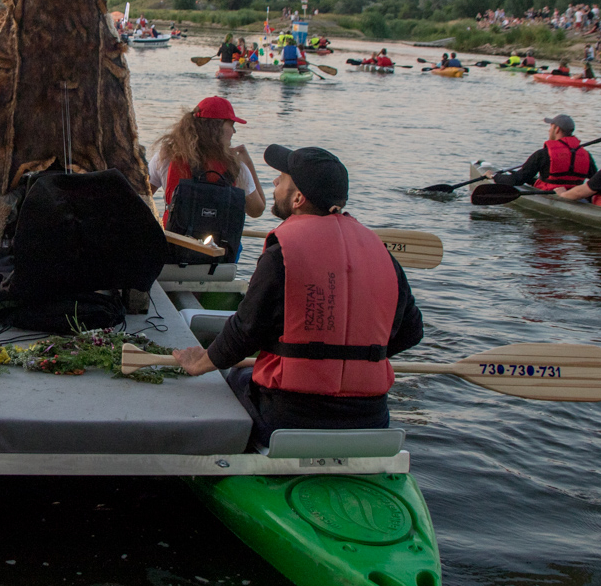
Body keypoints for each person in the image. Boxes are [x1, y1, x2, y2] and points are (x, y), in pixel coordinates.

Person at [170, 145, 424, 444]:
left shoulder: (282, 256)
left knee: (230, 377)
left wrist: (200, 363)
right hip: (371, 418)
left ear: (298, 198)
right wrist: (353, 362)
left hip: (289, 416)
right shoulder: (383, 255)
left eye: (282, 178)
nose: (275, 183)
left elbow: (244, 331)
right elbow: (412, 331)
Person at [149, 97, 266, 257]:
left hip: (173, 252)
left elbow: (141, 197)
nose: (234, 131)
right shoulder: (237, 166)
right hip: (219, 260)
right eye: (231, 125)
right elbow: (257, 210)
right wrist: (248, 162)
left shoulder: (166, 157)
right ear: (216, 127)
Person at [494, 114, 595, 190]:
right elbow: (596, 180)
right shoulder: (586, 155)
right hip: (574, 193)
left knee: (519, 176)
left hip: (549, 192)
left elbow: (518, 180)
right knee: (530, 178)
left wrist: (495, 176)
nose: (549, 130)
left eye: (551, 127)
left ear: (557, 129)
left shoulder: (543, 154)